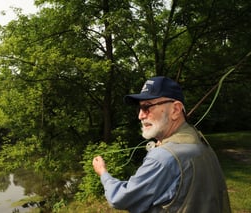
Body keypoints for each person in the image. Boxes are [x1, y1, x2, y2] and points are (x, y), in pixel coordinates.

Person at [93, 76, 231, 213]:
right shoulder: (199, 140)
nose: (140, 116)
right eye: (139, 109)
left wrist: (103, 173)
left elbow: (120, 198)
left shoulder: (163, 157)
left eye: (147, 107)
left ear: (176, 110)